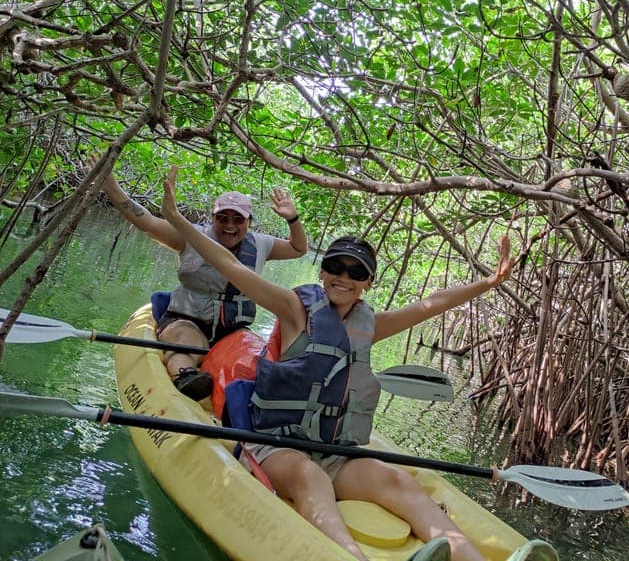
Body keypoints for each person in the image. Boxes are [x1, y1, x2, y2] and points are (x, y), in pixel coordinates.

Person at [160, 166, 558, 561]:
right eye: (335, 266)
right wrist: (178, 220)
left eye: (355, 271)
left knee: (396, 481)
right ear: (323, 271)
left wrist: (488, 282)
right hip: (277, 446)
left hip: (333, 451)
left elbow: (431, 304)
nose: (343, 276)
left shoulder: (369, 326)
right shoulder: (294, 309)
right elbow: (231, 267)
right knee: (309, 478)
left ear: (368, 282)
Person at [99, 164, 308, 400]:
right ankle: (186, 377)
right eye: (223, 218)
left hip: (232, 330)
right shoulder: (191, 237)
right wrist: (111, 186)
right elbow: (146, 222)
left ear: (249, 222)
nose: (230, 226)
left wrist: (293, 219)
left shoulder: (262, 244)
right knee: (187, 343)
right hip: (188, 320)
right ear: (213, 218)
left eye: (238, 219)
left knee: (255, 361)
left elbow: (299, 248)